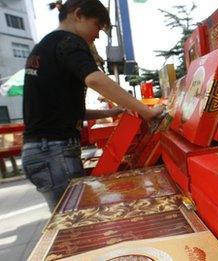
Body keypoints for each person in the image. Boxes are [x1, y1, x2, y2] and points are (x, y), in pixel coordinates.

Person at [21, 0, 164, 211]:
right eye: (97, 26)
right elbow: (95, 80)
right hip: (54, 153)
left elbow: (66, 111)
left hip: (41, 150)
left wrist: (113, 111)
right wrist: (146, 112)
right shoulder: (69, 41)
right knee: (75, 220)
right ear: (78, 15)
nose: (97, 35)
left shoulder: (44, 47)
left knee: (67, 218)